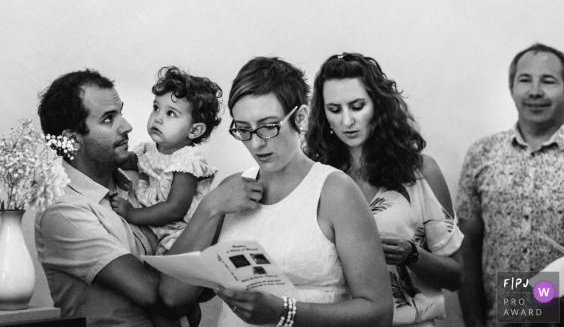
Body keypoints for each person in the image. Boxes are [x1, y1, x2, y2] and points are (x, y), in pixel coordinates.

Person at [160, 56, 393, 326]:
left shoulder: (335, 191)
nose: (257, 143)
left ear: (301, 117)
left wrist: (285, 312)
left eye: (269, 127)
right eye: (244, 129)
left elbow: (379, 312)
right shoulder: (230, 190)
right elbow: (172, 295)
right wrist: (209, 207)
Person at [305, 53, 464, 326]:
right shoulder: (314, 178)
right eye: (335, 109)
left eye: (357, 106)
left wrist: (411, 254)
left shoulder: (419, 172)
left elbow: (455, 276)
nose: (347, 121)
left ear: (378, 105)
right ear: (323, 115)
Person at [35, 69, 200, 327]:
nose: (127, 126)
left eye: (120, 112)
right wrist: (212, 208)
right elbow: (161, 297)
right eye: (109, 119)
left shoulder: (143, 180)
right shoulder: (63, 211)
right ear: (72, 140)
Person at [457, 43, 564, 327]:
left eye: (549, 81)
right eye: (525, 80)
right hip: (502, 320)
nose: (535, 91)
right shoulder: (483, 154)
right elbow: (467, 246)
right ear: (511, 87)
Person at [110, 66, 222, 255]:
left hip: (179, 232)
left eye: (171, 113)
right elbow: (125, 161)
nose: (158, 118)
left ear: (194, 131)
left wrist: (131, 214)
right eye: (156, 108)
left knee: (175, 268)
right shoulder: (149, 149)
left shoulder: (186, 160)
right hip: (155, 230)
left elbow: (175, 208)